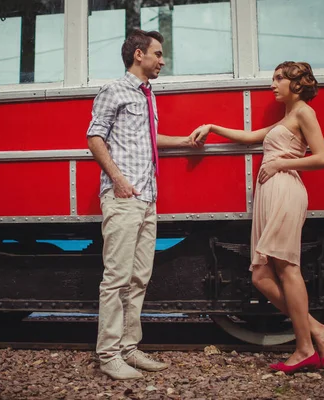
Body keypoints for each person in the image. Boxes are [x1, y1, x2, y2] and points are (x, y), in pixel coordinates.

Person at [189, 61, 324, 374]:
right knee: (260, 276)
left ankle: (304, 348)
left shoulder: (304, 113)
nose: (273, 84)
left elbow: (322, 158)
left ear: (296, 84)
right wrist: (212, 127)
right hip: (271, 194)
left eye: (279, 78)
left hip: (286, 190)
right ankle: (317, 330)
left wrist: (281, 165)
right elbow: (248, 137)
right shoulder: (286, 118)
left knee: (287, 268)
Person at [87, 29, 201, 380]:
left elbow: (148, 139)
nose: (162, 60)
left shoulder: (147, 95)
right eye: (158, 53)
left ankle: (128, 348)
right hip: (124, 198)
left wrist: (184, 140)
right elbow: (94, 137)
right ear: (139, 55)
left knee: (138, 279)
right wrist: (119, 181)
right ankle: (108, 355)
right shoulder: (114, 90)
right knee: (117, 279)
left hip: (147, 200)